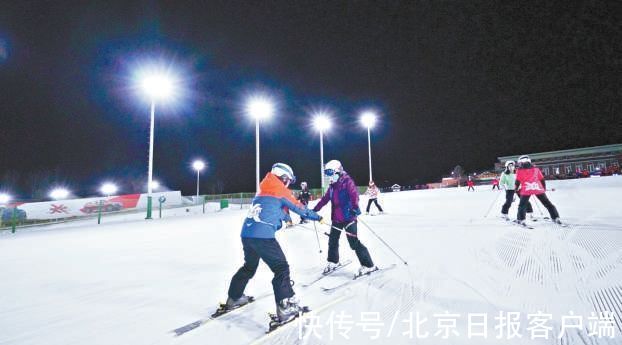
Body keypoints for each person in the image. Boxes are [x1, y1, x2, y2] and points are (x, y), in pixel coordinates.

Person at [224, 163, 324, 322]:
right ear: (283, 178)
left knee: (249, 267)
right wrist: (318, 217)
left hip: (247, 234)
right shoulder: (280, 189)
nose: (289, 184)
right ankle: (285, 307)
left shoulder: (263, 190)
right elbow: (300, 208)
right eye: (289, 181)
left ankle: (233, 298)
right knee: (281, 268)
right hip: (263, 237)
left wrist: (287, 218)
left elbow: (274, 208)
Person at [313, 160, 377, 275]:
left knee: (353, 243)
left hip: (348, 217)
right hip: (336, 218)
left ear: (338, 171)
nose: (329, 177)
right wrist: (314, 210)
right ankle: (333, 262)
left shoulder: (347, 181)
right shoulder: (332, 186)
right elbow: (324, 199)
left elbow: (354, 196)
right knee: (332, 240)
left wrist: (354, 208)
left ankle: (369, 265)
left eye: (330, 173)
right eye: (327, 174)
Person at [514, 155, 561, 225]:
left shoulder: (519, 171)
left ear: (521, 162)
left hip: (526, 189)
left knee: (522, 205)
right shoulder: (536, 169)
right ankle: (555, 217)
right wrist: (543, 188)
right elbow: (542, 179)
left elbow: (517, 181)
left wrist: (516, 189)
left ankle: (521, 219)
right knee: (547, 203)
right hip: (538, 189)